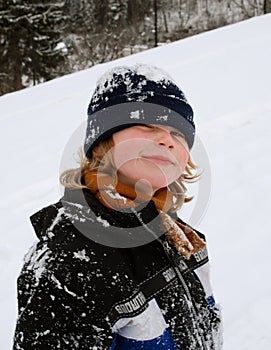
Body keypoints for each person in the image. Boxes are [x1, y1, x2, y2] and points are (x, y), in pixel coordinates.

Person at [13, 64, 223, 349]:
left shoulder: (181, 238)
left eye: (178, 133)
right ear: (103, 141)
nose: (166, 140)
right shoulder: (72, 259)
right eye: (146, 123)